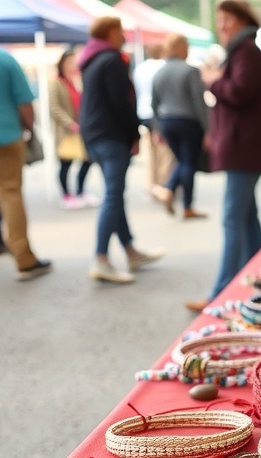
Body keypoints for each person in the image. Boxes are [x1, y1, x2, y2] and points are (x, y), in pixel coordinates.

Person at [186, 0, 261, 312]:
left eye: (227, 19)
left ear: (240, 20)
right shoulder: (242, 50)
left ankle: (220, 293)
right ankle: (258, 282)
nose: (222, 25)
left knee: (232, 218)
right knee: (247, 219)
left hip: (244, 149)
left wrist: (214, 79)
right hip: (244, 148)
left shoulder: (246, 52)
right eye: (220, 19)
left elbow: (238, 91)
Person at [81, 16, 162, 283]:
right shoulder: (111, 60)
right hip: (110, 135)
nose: (123, 35)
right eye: (120, 31)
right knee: (113, 197)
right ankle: (101, 257)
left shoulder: (91, 59)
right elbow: (121, 103)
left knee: (114, 195)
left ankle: (129, 250)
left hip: (95, 135)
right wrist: (134, 133)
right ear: (110, 32)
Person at [0, 36, 51, 280]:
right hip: (6, 137)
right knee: (10, 193)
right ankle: (24, 259)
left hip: (5, 137)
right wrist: (29, 129)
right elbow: (25, 103)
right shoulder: (4, 58)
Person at [152, 33, 209, 220]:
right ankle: (186, 204)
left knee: (183, 161)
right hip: (188, 122)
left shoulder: (159, 72)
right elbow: (199, 102)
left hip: (167, 122)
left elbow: (154, 103)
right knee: (188, 163)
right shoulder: (190, 71)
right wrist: (208, 128)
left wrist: (157, 127)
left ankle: (169, 190)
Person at [48, 49, 97, 210]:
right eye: (68, 63)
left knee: (87, 160)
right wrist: (69, 123)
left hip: (82, 128)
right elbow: (54, 107)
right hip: (67, 131)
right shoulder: (56, 83)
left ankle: (81, 191)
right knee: (66, 163)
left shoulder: (77, 80)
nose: (72, 66)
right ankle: (67, 194)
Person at [133, 44, 175, 208]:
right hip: (159, 113)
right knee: (165, 152)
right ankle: (164, 185)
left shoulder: (140, 68)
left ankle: (151, 185)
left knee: (150, 152)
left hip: (143, 113)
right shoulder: (164, 67)